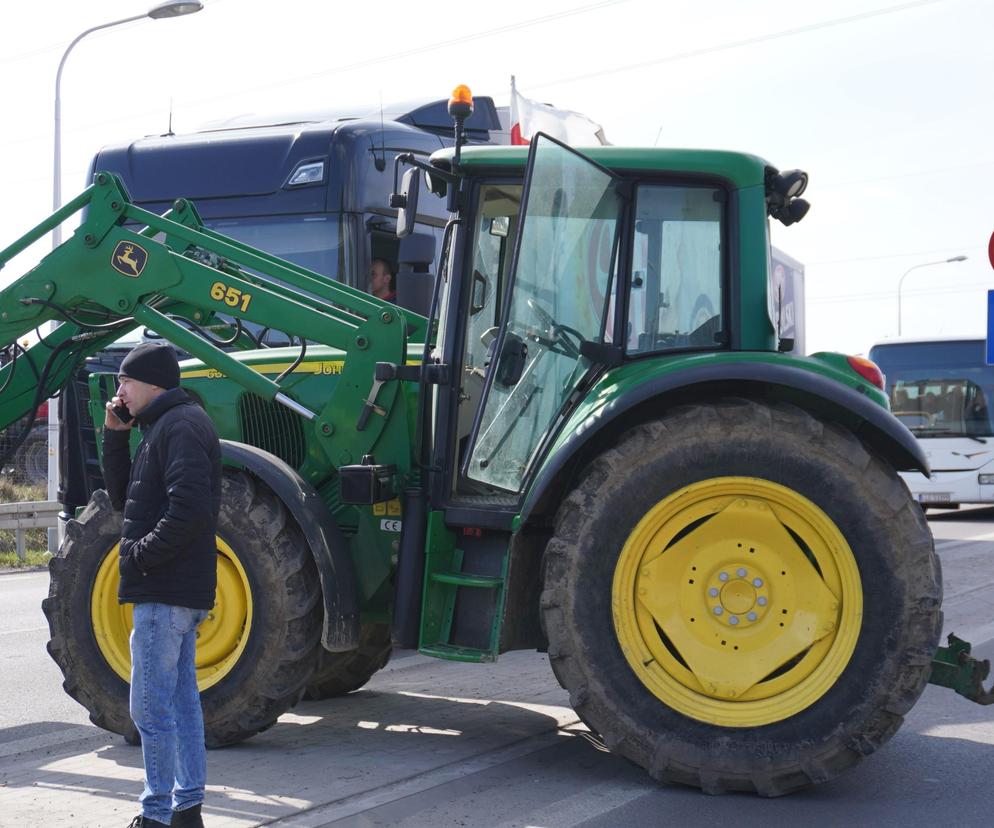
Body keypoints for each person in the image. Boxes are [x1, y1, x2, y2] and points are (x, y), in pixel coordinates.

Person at [102, 342, 222, 828]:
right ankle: (185, 811)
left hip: (165, 591)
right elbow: (120, 499)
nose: (119, 392)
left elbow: (189, 509)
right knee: (179, 705)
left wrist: (140, 555)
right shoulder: (165, 426)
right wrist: (115, 437)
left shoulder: (180, 427)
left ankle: (155, 817)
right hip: (173, 592)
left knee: (150, 712)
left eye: (124, 382)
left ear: (152, 383)